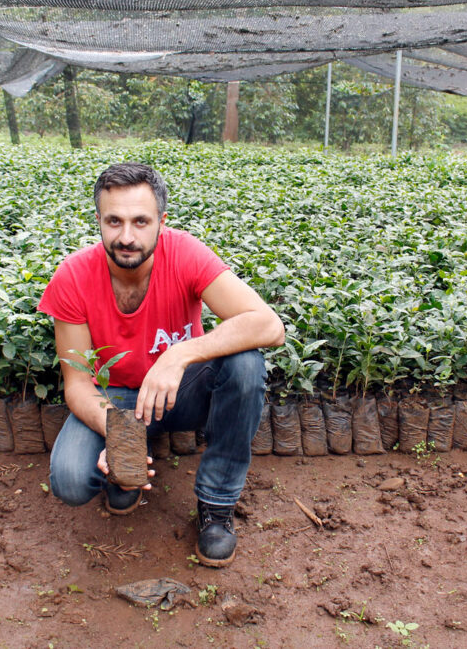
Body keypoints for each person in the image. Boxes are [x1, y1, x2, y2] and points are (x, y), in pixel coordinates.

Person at [37, 162, 285, 567]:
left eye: (140, 221)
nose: (127, 237)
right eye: (114, 221)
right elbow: (79, 385)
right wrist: (120, 435)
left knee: (245, 363)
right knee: (69, 481)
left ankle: (216, 506)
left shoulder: (185, 253)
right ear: (98, 220)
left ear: (161, 222)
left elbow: (269, 325)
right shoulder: (72, 277)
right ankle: (129, 464)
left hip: (178, 391)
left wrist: (179, 354)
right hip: (115, 398)